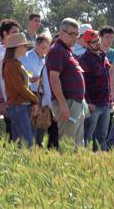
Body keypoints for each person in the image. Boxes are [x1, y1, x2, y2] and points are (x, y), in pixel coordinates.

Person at [47, 18, 85, 148]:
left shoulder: (67, 50)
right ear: (62, 32)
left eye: (77, 34)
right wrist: (63, 104)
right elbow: (54, 79)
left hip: (75, 103)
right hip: (67, 103)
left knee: (77, 145)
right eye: (71, 33)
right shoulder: (57, 50)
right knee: (68, 145)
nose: (75, 37)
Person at [2, 33, 39, 147]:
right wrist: (36, 100)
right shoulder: (12, 65)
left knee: (19, 143)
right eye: (24, 46)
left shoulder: (15, 63)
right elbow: (20, 88)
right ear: (17, 47)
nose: (26, 48)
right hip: (18, 106)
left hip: (19, 106)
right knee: (27, 143)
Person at [79, 29, 111, 151]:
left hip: (105, 103)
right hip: (93, 104)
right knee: (87, 135)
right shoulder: (83, 60)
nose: (97, 43)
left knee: (102, 136)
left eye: (97, 40)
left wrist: (110, 99)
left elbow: (107, 79)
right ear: (87, 44)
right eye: (93, 42)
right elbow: (83, 83)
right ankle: (85, 160)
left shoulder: (103, 56)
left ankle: (101, 161)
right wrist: (88, 102)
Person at [0, 19, 20, 144]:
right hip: (5, 100)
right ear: (4, 34)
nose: (17, 36)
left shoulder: (17, 50)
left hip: (17, 98)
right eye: (14, 32)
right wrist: (2, 101)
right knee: (11, 133)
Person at [21, 34, 51, 147]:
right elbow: (24, 72)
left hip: (44, 94)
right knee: (32, 121)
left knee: (42, 120)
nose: (45, 50)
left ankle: (39, 143)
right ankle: (30, 145)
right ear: (36, 44)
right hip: (32, 94)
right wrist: (32, 77)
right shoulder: (26, 57)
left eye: (47, 47)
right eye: (43, 47)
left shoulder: (47, 59)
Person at [99, 25, 114, 135]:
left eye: (111, 37)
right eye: (107, 37)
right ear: (100, 37)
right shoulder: (94, 51)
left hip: (111, 91)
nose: (109, 40)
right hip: (97, 90)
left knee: (108, 120)